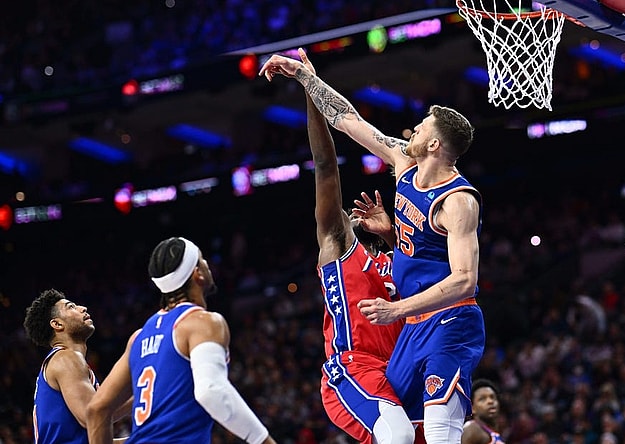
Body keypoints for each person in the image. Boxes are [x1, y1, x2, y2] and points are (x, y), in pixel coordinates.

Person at [261, 50, 486, 444]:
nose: (410, 130)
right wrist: (305, 78)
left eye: (420, 128)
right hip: (405, 337)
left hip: (446, 318)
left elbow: (465, 279)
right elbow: (350, 121)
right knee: (404, 435)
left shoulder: (458, 201)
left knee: (436, 433)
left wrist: (395, 308)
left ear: (434, 144)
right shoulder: (404, 166)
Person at [300, 48, 414, 444]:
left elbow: (424, 271)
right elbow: (326, 168)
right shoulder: (338, 247)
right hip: (353, 367)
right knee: (396, 437)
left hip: (401, 371)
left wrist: (389, 235)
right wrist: (311, 90)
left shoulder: (395, 258)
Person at [85, 237, 277, 444]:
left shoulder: (138, 338)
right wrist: (263, 440)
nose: (207, 265)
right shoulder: (203, 322)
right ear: (198, 274)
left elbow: (97, 410)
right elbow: (210, 392)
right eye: (202, 260)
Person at [23, 288, 129, 444]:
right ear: (57, 324)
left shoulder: (66, 361)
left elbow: (97, 429)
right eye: (71, 307)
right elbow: (92, 417)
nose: (82, 308)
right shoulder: (66, 358)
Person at [461, 379, 505, 444]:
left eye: (493, 397)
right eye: (482, 399)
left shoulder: (491, 432)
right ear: (472, 408)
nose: (490, 401)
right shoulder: (472, 429)